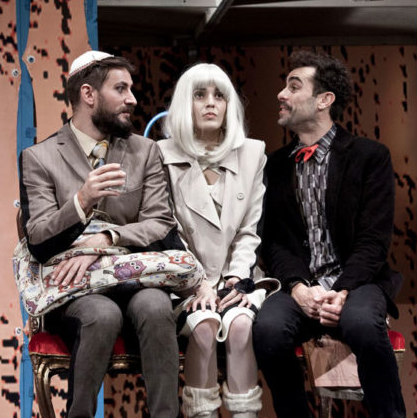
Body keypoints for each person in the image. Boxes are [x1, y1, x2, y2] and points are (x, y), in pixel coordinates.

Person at [19, 50, 187, 418]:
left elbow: (160, 223)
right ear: (88, 94)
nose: (133, 99)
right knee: (102, 313)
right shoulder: (40, 157)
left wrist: (106, 241)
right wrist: (81, 200)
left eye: (131, 89)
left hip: (137, 280)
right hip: (75, 290)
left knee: (156, 305)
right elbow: (39, 239)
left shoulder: (145, 152)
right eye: (121, 89)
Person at [253, 51, 406, 418]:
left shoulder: (370, 156)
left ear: (324, 100)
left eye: (294, 87)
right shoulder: (273, 165)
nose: (281, 95)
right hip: (301, 285)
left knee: (362, 324)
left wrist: (342, 290)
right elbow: (273, 241)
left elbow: (374, 241)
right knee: (268, 329)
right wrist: (297, 288)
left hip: (357, 281)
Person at [158, 63, 268, 418]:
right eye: (200, 95)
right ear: (184, 104)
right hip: (185, 280)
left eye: (219, 95)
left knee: (240, 326)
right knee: (204, 326)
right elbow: (168, 230)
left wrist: (237, 277)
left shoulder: (253, 153)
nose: (211, 103)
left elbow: (250, 229)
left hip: (238, 277)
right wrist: (199, 283)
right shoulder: (161, 155)